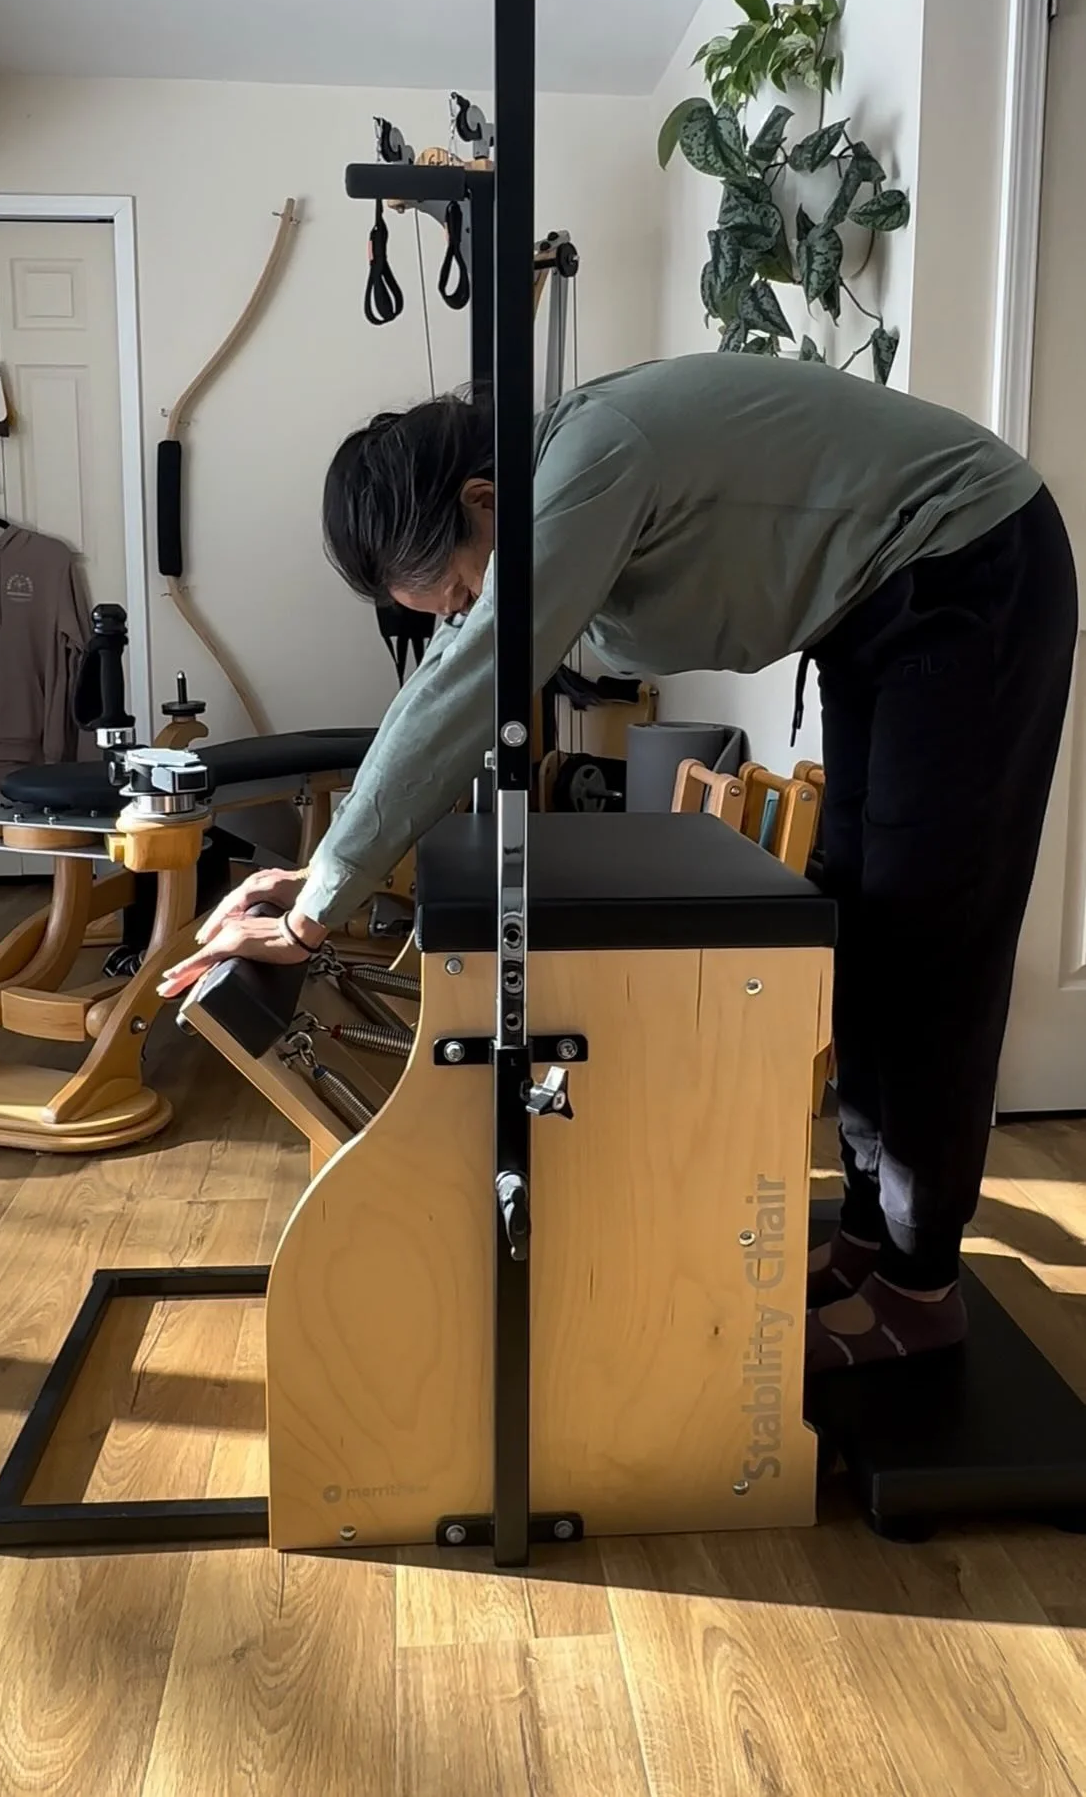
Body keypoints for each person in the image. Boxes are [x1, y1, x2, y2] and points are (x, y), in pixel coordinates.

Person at [158, 354, 1077, 1376]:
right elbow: (459, 670)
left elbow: (475, 677)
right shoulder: (553, 480)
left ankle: (920, 1286)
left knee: (928, 937)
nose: (463, 610)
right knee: (862, 918)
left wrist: (314, 911)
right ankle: (871, 1233)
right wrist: (324, 875)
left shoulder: (592, 459)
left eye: (460, 586)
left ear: (481, 500)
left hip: (973, 569)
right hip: (880, 614)